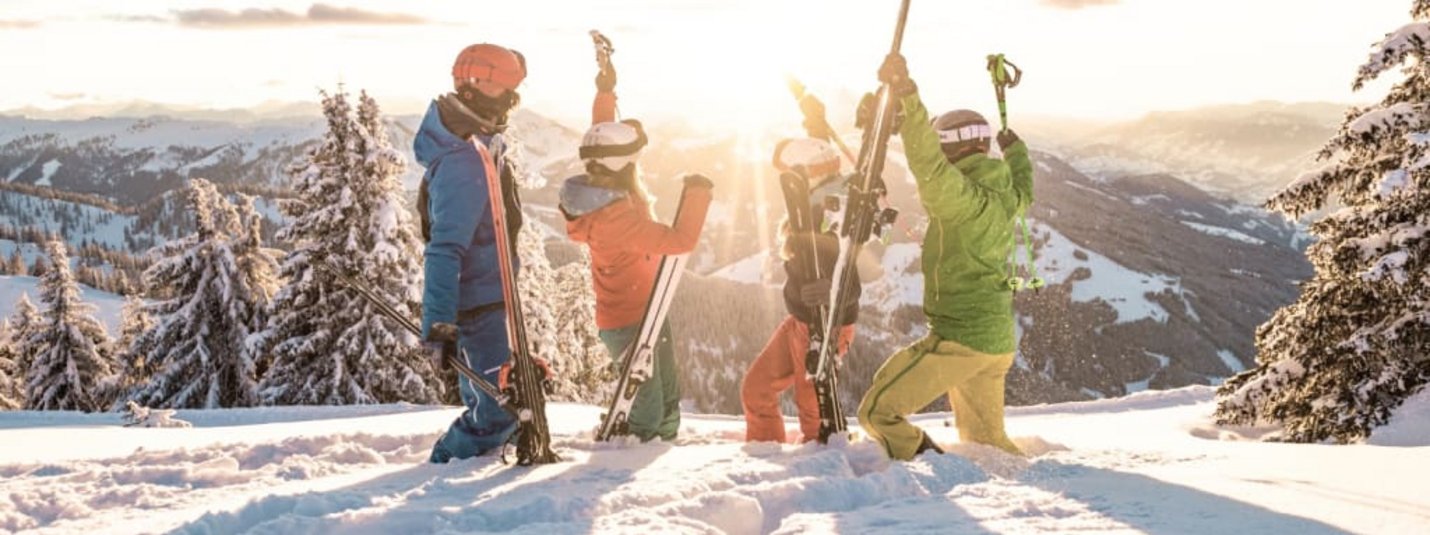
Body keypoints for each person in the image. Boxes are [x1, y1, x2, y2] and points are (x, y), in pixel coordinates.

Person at [857, 53, 1034, 460]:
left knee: (877, 412)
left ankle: (925, 461)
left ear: (952, 148)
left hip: (963, 339)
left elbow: (929, 167)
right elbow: (1025, 187)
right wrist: (1016, 152)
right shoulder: (1007, 196)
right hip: (995, 342)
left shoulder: (963, 199)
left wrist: (909, 98)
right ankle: (1016, 494)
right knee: (987, 443)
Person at [559, 54, 713, 442]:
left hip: (648, 310)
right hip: (629, 320)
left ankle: (665, 445)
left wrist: (605, 91)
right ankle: (633, 457)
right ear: (625, 164)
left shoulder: (604, 189)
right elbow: (680, 242)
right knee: (648, 405)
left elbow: (601, 135)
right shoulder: (615, 218)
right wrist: (698, 193)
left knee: (667, 397)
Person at [414, 43, 529, 463]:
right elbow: (444, 250)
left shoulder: (478, 144)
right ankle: (444, 465)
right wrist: (439, 324)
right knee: (495, 414)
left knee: (504, 401)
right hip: (478, 308)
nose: (512, 104)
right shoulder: (464, 159)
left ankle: (472, 477)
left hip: (490, 300)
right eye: (505, 92)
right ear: (475, 90)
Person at [741, 138, 861, 444]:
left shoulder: (835, 212)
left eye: (794, 176)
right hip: (799, 320)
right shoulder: (806, 207)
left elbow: (852, 275)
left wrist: (832, 290)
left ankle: (821, 467)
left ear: (811, 174)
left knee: (813, 409)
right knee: (756, 390)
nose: (788, 185)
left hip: (826, 323)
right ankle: (764, 452)